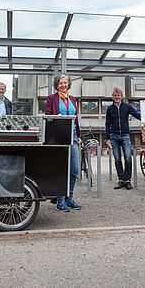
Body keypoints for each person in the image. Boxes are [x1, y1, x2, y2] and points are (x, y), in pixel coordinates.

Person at [45, 74, 82, 212]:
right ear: (56, 85)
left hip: (71, 136)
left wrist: (78, 135)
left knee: (74, 168)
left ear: (68, 84)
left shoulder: (72, 99)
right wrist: (56, 118)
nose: (63, 85)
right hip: (58, 136)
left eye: (65, 83)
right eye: (61, 83)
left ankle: (69, 197)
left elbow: (76, 119)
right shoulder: (51, 99)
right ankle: (60, 201)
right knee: (61, 168)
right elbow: (47, 116)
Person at [105, 87, 141, 190]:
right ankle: (121, 179)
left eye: (118, 95)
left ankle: (127, 180)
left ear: (121, 96)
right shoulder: (110, 109)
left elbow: (136, 114)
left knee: (128, 158)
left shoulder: (127, 107)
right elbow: (107, 123)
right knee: (117, 159)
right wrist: (108, 138)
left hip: (125, 135)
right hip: (114, 136)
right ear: (113, 97)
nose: (117, 97)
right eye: (115, 95)